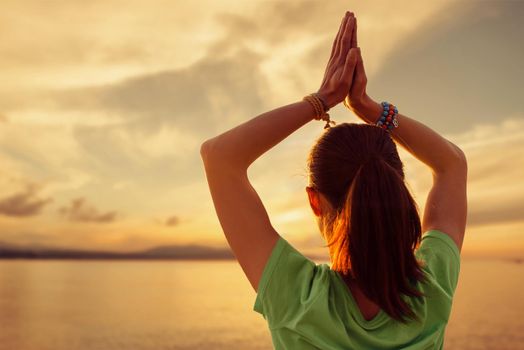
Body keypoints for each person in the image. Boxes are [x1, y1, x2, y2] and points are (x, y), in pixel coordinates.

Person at [200, 10, 467, 350]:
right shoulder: (432, 289)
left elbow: (219, 156)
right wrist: (370, 108)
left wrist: (322, 99)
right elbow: (452, 164)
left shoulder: (297, 299)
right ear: (397, 189)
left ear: (315, 200)